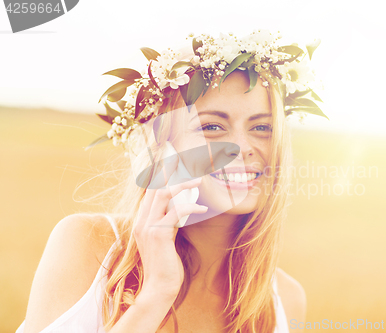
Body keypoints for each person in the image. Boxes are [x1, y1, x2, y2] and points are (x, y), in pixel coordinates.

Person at [17, 31, 326, 333]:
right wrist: (156, 295)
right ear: (166, 149)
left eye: (261, 128)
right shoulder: (89, 246)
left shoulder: (286, 300)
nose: (242, 147)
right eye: (213, 127)